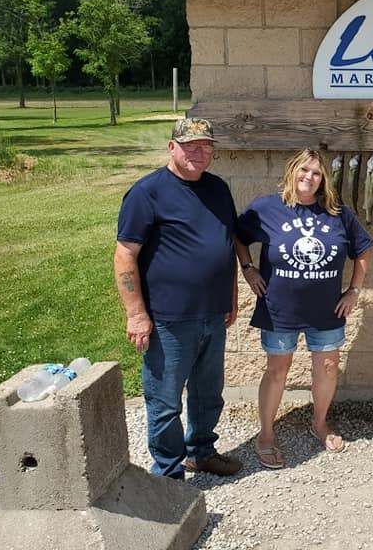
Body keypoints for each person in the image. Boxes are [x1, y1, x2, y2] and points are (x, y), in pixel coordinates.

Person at [114, 118, 242, 479]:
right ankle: (168, 474)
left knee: (208, 393)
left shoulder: (218, 188)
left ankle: (201, 452)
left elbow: (226, 244)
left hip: (213, 314)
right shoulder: (147, 193)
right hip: (168, 319)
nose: (199, 153)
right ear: (172, 147)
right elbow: (125, 255)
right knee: (165, 401)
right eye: (190, 146)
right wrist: (136, 314)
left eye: (206, 146)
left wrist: (231, 294)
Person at [235, 148, 373, 468]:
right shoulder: (267, 208)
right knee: (277, 370)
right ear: (292, 171)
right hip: (279, 309)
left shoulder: (337, 213)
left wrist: (354, 291)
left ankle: (320, 423)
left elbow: (364, 250)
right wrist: (248, 268)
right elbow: (237, 236)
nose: (309, 177)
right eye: (304, 170)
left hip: (326, 310)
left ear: (323, 179)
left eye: (316, 173)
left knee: (328, 367)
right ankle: (266, 434)